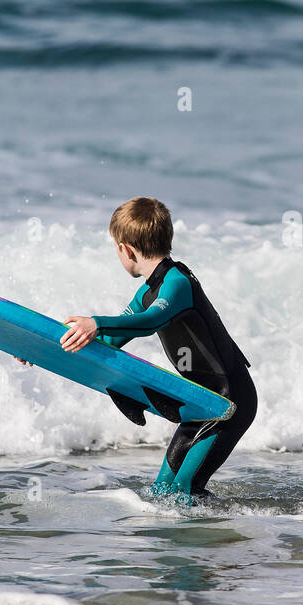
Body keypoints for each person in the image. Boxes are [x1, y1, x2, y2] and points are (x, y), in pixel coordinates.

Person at [58, 197, 256, 501]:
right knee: (163, 491)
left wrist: (96, 322)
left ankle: (230, 537)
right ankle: (207, 534)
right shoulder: (147, 292)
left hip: (229, 402)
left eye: (115, 248)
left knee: (185, 490)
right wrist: (45, 348)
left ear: (125, 248)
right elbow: (110, 341)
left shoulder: (177, 283)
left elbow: (148, 322)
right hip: (199, 404)